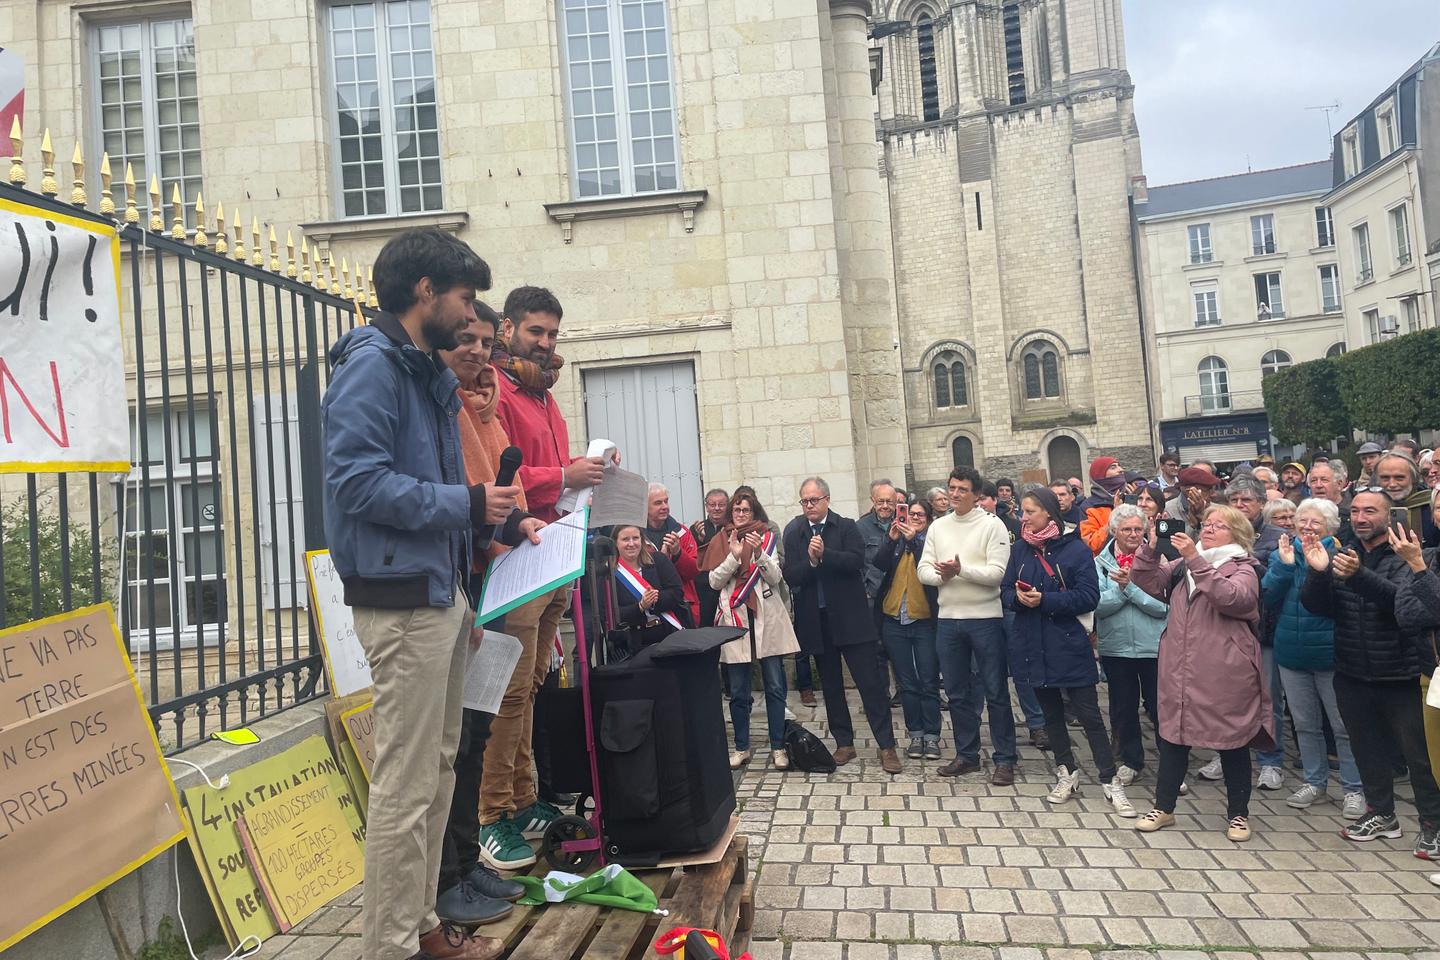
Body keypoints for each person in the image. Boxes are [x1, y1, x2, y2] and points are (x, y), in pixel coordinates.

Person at [323, 229, 538, 960]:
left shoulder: (420, 371)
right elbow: (356, 483)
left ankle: (418, 927)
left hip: (437, 596)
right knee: (405, 786)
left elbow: (442, 491)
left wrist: (463, 598)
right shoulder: (373, 368)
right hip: (400, 598)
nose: (471, 314)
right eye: (464, 297)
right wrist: (470, 506)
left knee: (435, 773)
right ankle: (390, 948)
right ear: (425, 292)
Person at [481, 286, 609, 872]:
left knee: (532, 682)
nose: (546, 342)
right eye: (536, 331)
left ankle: (524, 796)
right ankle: (491, 814)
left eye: (553, 334)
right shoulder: (496, 392)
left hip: (556, 548)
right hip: (518, 553)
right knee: (508, 686)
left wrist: (582, 477)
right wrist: (564, 474)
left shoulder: (543, 395)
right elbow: (497, 475)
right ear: (507, 328)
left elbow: (549, 476)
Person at [434, 301, 529, 930]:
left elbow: (497, 506)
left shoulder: (484, 420)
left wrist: (520, 524)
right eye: (467, 341)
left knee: (472, 739)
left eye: (487, 348)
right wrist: (494, 530)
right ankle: (446, 878)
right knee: (452, 746)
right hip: (456, 593)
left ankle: (467, 865)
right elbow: (461, 508)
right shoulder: (444, 415)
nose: (481, 361)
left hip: (484, 592)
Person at [1301, 490, 1440, 851]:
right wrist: (1317, 574)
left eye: (1370, 512)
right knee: (1366, 750)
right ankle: (1381, 813)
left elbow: (1405, 609)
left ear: (1389, 515)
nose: (1361, 518)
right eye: (1356, 511)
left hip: (1401, 673)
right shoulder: (1344, 552)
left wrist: (1360, 576)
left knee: (1419, 757)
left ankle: (1432, 823)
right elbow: (1319, 607)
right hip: (1351, 670)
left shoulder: (1410, 554)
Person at [1130, 505, 1272, 842]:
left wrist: (1196, 558)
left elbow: (1233, 599)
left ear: (1237, 534)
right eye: (1206, 524)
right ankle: (1164, 808)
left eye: (1218, 525)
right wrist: (1151, 547)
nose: (1207, 529)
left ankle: (1238, 815)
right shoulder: (1183, 566)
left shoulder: (1243, 568)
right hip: (1181, 666)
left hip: (1226, 670)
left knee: (1232, 739)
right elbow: (1146, 580)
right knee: (1174, 736)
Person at [1003, 489, 1133, 815]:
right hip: (1032, 642)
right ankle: (1066, 771)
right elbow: (1004, 590)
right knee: (1051, 715)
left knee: (1089, 715)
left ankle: (1109, 779)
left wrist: (1045, 601)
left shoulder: (1075, 550)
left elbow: (1089, 597)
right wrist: (1017, 599)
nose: (1024, 517)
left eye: (1030, 511)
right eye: (1023, 511)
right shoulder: (1019, 549)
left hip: (1068, 643)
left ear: (1048, 513)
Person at [783, 477, 903, 773]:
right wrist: (811, 563)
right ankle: (844, 743)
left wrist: (825, 556)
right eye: (804, 501)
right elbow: (791, 575)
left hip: (850, 619)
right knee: (832, 686)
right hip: (817, 621)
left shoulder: (846, 526)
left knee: (870, 685)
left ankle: (887, 746)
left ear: (826, 499)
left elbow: (855, 561)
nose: (809, 505)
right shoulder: (795, 531)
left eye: (814, 500)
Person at [1262, 499, 1366, 818]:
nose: (1306, 527)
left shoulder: (1341, 556)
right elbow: (1267, 595)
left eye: (1315, 523)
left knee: (1343, 725)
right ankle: (1314, 782)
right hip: (1290, 652)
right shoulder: (1283, 552)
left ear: (1330, 528)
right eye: (1301, 520)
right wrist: (1282, 565)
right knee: (1306, 725)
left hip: (1330, 654)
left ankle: (1354, 788)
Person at [918, 466, 1017, 785]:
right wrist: (942, 576)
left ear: (976, 495)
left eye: (962, 489)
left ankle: (1004, 759)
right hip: (949, 620)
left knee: (996, 691)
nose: (955, 494)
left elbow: (996, 575)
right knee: (958, 693)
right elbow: (924, 570)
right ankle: (967, 755)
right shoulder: (938, 527)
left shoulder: (993, 525)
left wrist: (960, 570)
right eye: (951, 488)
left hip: (985, 620)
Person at [1194, 475, 1284, 789]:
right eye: (1235, 500)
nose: (1241, 505)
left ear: (1262, 503)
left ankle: (1270, 761)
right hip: (1225, 633)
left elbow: (1266, 583)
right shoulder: (1211, 541)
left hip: (1265, 629)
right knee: (1223, 698)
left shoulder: (1275, 536)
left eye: (1247, 500)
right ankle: (1225, 753)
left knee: (1266, 699)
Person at [702, 491, 799, 769]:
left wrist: (757, 553)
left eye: (746, 510)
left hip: (766, 616)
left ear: (754, 513)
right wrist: (733, 557)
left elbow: (776, 577)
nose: (741, 514)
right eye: (737, 510)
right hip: (735, 617)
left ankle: (778, 746)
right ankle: (742, 746)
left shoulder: (766, 536)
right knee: (739, 689)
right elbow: (713, 581)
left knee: (775, 686)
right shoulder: (722, 538)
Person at [1095, 504, 1168, 788]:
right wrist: (1124, 589)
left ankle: (1170, 763)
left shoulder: (1158, 561)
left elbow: (1163, 607)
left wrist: (1130, 588)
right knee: (1123, 709)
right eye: (1127, 529)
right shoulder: (1100, 563)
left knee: (1160, 708)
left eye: (1138, 529)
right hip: (1117, 647)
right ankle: (1131, 761)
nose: (1133, 534)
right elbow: (1098, 606)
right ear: (1114, 531)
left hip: (1153, 647)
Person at [873, 499, 943, 760]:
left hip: (924, 619)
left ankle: (932, 736)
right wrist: (891, 540)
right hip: (894, 619)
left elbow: (931, 564)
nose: (913, 518)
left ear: (927, 518)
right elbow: (879, 564)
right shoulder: (898, 539)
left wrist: (914, 539)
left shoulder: (931, 540)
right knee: (907, 683)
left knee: (928, 680)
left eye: (919, 515)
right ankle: (916, 733)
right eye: (909, 513)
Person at [982, 481, 1047, 749]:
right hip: (981, 607)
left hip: (1011, 605)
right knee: (984, 672)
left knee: (1022, 666)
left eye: (986, 498)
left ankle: (1037, 724)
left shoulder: (1013, 526)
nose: (981, 504)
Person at [1390, 515, 1440, 799]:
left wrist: (1419, 569)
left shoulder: (1419, 560)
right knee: (1437, 766)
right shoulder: (1428, 555)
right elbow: (1405, 614)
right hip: (1432, 675)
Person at [612, 524, 690, 648]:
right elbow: (612, 613)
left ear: (642, 540)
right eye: (625, 539)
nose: (631, 543)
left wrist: (654, 599)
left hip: (668, 632)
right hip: (634, 640)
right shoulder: (610, 574)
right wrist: (640, 606)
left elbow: (677, 593)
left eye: (635, 538)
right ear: (615, 543)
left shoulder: (658, 560)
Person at [644, 483, 702, 626]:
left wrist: (678, 553)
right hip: (649, 609)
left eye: (666, 501)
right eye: (658, 503)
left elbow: (695, 571)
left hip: (681, 607)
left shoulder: (681, 532)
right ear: (644, 506)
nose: (665, 506)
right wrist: (661, 560)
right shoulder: (635, 537)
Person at [1376, 453, 1439, 547]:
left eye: (1399, 478)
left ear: (1413, 478)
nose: (1392, 484)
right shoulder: (1369, 508)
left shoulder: (1433, 505)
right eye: (1385, 478)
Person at [691, 488, 731, 628]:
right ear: (706, 506)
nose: (717, 508)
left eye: (721, 504)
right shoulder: (695, 529)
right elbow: (694, 561)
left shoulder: (732, 528)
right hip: (704, 588)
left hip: (727, 586)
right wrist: (701, 539)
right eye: (712, 505)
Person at [1079, 456, 1135, 554]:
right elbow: (1091, 544)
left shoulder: (1131, 498)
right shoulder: (1088, 507)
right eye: (1113, 467)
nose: (1121, 470)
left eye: (1119, 466)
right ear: (1100, 475)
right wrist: (1115, 515)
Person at [1307, 459, 1353, 543]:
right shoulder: (1303, 513)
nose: (1318, 485)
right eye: (1313, 481)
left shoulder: (1353, 514)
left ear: (1339, 484)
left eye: (1324, 480)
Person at [1168, 465, 1222, 534]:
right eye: (1206, 490)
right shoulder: (1169, 510)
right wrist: (1194, 526)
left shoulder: (1218, 510)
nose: (1212, 494)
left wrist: (1202, 519)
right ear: (1191, 491)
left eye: (1212, 489)